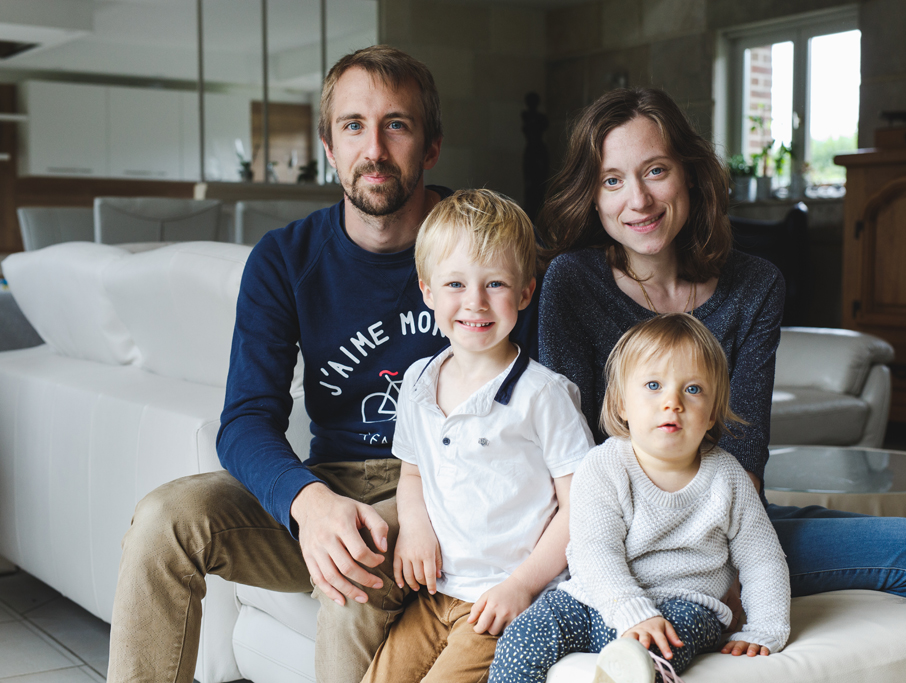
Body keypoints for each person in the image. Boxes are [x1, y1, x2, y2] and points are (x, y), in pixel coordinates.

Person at [107, 46, 531, 683]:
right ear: (330, 148)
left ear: (432, 146)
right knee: (164, 521)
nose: (375, 149)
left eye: (398, 124)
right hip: (331, 481)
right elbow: (245, 421)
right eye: (354, 126)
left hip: (446, 491)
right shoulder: (284, 259)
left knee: (354, 569)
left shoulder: (485, 248)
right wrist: (309, 502)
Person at [536, 87, 906, 622]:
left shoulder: (754, 284)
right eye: (613, 180)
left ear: (690, 173)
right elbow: (566, 454)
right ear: (593, 197)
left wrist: (743, 562)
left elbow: (745, 455)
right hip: (632, 542)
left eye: (655, 171)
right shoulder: (571, 282)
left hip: (729, 513)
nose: (637, 200)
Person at [360, 189, 594, 683]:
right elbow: (412, 471)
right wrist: (416, 527)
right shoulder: (418, 380)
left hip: (502, 600)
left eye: (495, 284)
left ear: (526, 293)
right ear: (426, 291)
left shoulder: (543, 395)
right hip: (434, 597)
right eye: (455, 284)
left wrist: (522, 587)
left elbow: (583, 508)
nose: (475, 302)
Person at [490, 313, 790, 683]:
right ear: (621, 405)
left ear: (712, 414)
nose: (672, 402)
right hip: (593, 600)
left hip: (685, 605)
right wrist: (632, 612)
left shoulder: (728, 477)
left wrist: (765, 629)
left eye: (692, 389)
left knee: (662, 649)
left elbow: (763, 559)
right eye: (653, 385)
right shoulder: (603, 466)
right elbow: (595, 550)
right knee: (524, 636)